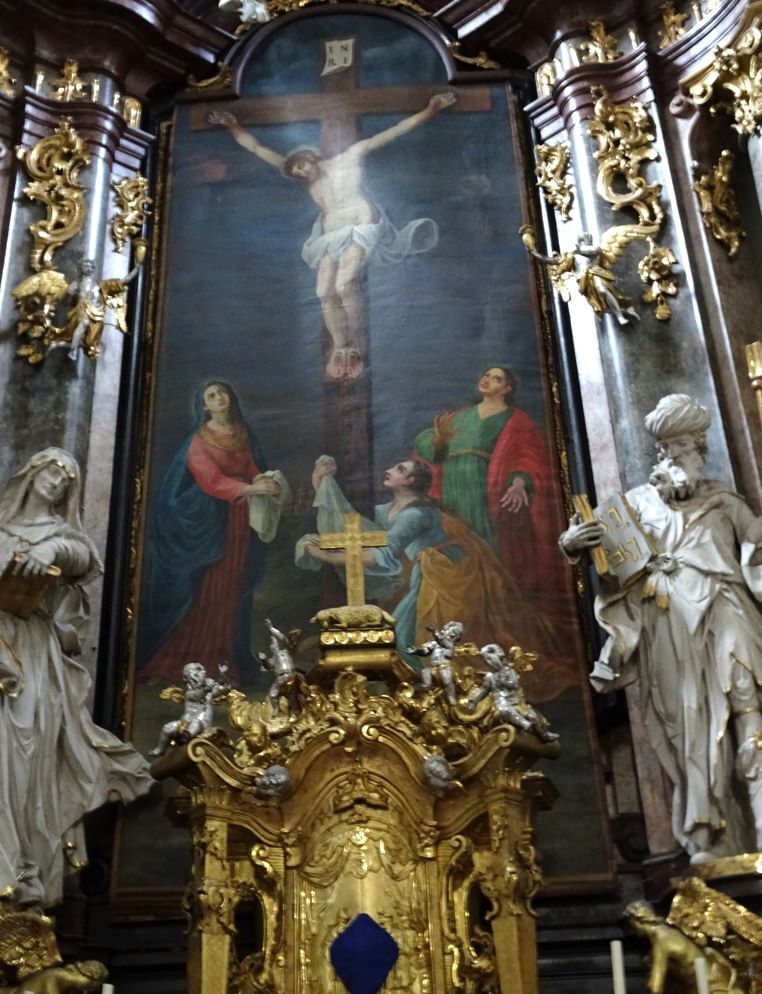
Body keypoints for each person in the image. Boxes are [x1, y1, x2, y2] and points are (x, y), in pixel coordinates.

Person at [561, 394, 762, 862]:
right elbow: (609, 561)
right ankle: (709, 837)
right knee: (689, 724)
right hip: (668, 624)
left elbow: (756, 547)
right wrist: (573, 544)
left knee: (749, 704)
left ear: (700, 451)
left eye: (683, 447)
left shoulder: (724, 501)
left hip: (727, 609)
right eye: (667, 448)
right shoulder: (633, 507)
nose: (674, 455)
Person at [209, 93, 455, 381]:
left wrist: (431, 109)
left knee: (345, 284)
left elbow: (395, 131)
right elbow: (258, 148)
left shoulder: (350, 157)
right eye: (296, 171)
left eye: (301, 165)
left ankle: (355, 343)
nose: (300, 172)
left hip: (360, 229)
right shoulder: (307, 181)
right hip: (329, 237)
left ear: (310, 157)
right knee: (323, 292)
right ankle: (341, 346)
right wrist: (233, 126)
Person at [0, 447, 153, 906]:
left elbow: (82, 556)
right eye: (51, 472)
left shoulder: (61, 535)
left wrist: (51, 548)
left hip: (30, 651)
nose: (55, 483)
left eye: (65, 481)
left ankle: (19, 869)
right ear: (31, 473)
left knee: (22, 750)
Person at [299, 457, 571, 699]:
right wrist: (322, 484)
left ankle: (431, 695)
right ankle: (418, 692)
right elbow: (355, 530)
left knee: (407, 638)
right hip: (426, 571)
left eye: (399, 469)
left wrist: (324, 556)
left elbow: (383, 553)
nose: (390, 470)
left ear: (410, 481)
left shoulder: (416, 515)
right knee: (404, 635)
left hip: (447, 575)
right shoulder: (387, 510)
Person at [140, 381, 279, 684]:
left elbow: (252, 469)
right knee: (210, 589)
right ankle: (195, 661)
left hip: (240, 522)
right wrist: (251, 488)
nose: (219, 398)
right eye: (211, 396)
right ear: (204, 406)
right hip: (211, 525)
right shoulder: (199, 440)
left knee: (231, 591)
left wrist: (266, 481)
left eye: (222, 393)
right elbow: (211, 481)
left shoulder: (242, 433)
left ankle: (225, 661)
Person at [413, 366, 564, 616]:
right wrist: (436, 441)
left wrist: (518, 482)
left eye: (496, 379)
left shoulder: (515, 419)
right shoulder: (460, 416)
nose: (486, 380)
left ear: (507, 389)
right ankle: (463, 608)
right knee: (456, 541)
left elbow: (528, 455)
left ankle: (492, 609)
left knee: (485, 542)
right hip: (452, 486)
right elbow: (426, 443)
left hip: (486, 490)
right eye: (485, 375)